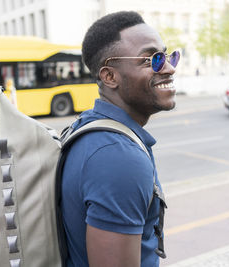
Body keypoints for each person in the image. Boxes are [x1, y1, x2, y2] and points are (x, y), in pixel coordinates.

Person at [61, 11, 179, 267]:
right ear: (110, 76)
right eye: (151, 60)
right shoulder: (118, 157)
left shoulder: (88, 125)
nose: (169, 68)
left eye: (168, 56)